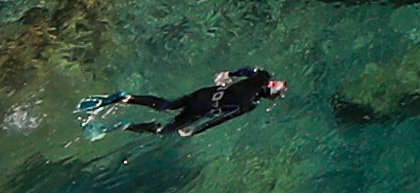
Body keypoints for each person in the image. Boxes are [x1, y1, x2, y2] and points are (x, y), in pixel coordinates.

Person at [81, 76, 284, 144]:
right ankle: (122, 127)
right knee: (165, 130)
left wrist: (228, 74)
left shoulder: (260, 77)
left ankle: (127, 97)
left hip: (205, 93)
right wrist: (196, 130)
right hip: (203, 108)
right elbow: (221, 119)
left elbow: (247, 71)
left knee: (167, 104)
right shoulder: (249, 105)